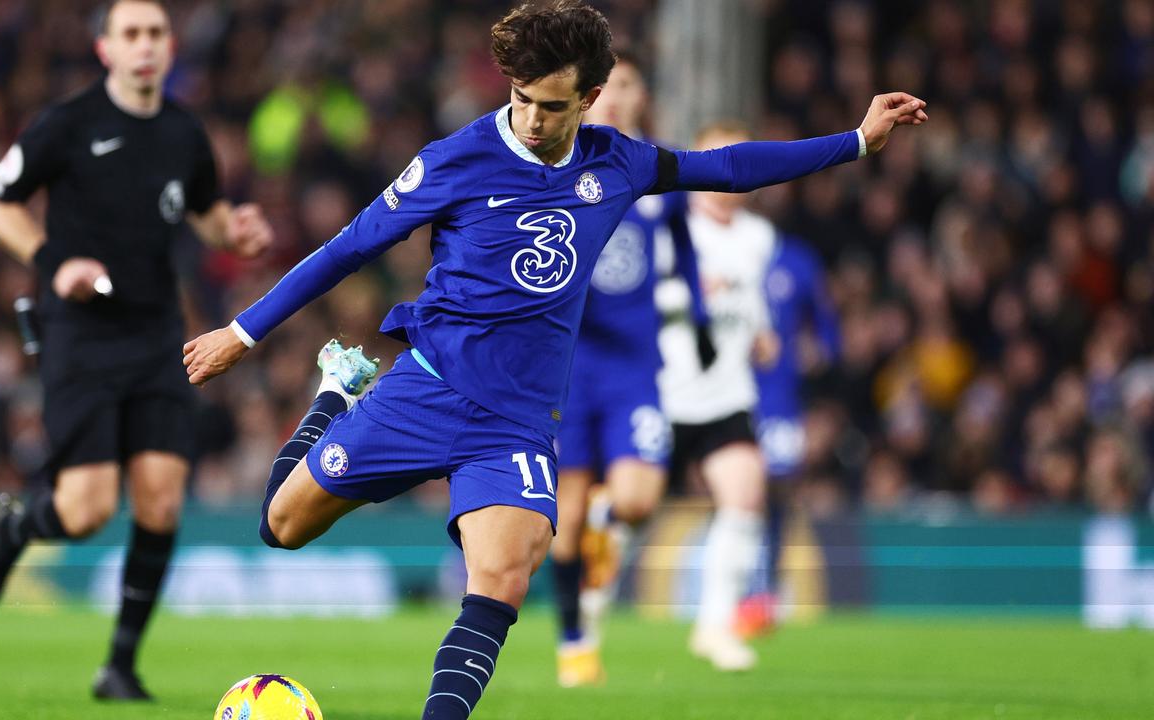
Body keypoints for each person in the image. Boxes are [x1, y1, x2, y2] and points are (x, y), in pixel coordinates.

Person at [183, 2, 925, 716]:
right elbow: (346, 248)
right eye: (522, 98)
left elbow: (725, 166)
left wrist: (855, 140)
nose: (532, 118)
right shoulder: (455, 159)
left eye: (552, 105)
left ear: (591, 98)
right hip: (427, 388)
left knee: (503, 577)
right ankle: (332, 400)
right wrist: (241, 335)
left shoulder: (619, 162)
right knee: (280, 527)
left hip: (512, 422)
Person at [0, 0, 273, 701]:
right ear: (105, 48)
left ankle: (120, 667)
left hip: (158, 332)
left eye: (156, 33)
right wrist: (53, 259)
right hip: (81, 335)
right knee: (87, 510)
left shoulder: (183, 134)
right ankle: (17, 527)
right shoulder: (67, 125)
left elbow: (205, 212)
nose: (145, 45)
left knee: (162, 500)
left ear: (170, 48)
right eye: (130, 33)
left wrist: (237, 230)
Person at [548, 52, 710, 688]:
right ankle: (574, 641)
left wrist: (696, 318)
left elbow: (688, 250)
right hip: (568, 368)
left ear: (642, 97)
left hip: (634, 367)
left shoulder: (651, 170)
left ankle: (605, 531)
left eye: (626, 85)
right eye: (604, 86)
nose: (614, 96)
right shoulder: (562, 168)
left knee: (639, 499)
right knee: (561, 520)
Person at [657, 121, 794, 671]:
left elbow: (751, 294)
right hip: (662, 393)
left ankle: (715, 626)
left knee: (744, 494)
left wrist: (762, 330)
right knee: (623, 510)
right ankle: (583, 621)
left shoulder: (759, 239)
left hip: (726, 396)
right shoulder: (669, 226)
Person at [735, 232, 841, 638]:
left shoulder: (798, 260)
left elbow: (828, 330)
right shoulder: (723, 252)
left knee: (775, 492)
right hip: (728, 396)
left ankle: (765, 593)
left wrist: (820, 353)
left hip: (780, 401)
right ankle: (740, 590)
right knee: (739, 491)